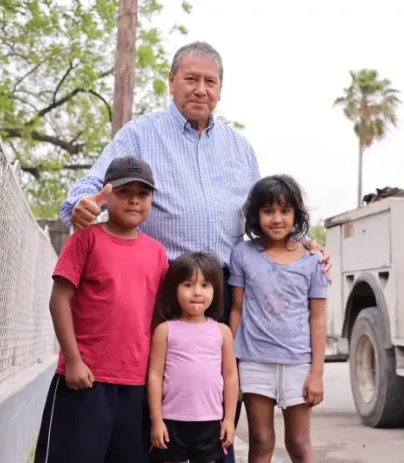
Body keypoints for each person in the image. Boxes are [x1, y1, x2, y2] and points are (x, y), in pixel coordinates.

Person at [58, 41, 331, 462]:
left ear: (220, 89)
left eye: (210, 81)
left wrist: (302, 243)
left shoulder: (240, 148)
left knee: (215, 410)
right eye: (190, 79)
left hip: (222, 295)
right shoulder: (141, 134)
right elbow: (96, 183)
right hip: (163, 293)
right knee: (161, 407)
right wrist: (79, 204)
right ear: (171, 82)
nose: (200, 89)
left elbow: (264, 217)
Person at [34, 156, 169, 463]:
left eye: (143, 193)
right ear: (107, 196)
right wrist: (73, 360)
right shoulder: (85, 240)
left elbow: (159, 318)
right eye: (124, 192)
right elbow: (59, 300)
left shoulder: (157, 253)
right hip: (86, 378)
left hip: (136, 384)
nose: (134, 200)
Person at [228, 175, 328, 463]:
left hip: (298, 363)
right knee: (261, 441)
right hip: (254, 361)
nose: (276, 219)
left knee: (298, 442)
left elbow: (318, 319)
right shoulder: (243, 254)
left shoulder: (313, 260)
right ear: (255, 214)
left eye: (285, 211)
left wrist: (317, 373)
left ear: (296, 214)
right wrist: (230, 363)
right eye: (268, 210)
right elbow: (237, 309)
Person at [147, 252, 238, 463]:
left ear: (216, 289)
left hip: (210, 421)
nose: (197, 292)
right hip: (171, 420)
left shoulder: (222, 332)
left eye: (205, 285)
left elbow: (231, 376)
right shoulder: (165, 330)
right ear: (174, 289)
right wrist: (157, 420)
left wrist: (229, 419)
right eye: (188, 285)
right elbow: (155, 376)